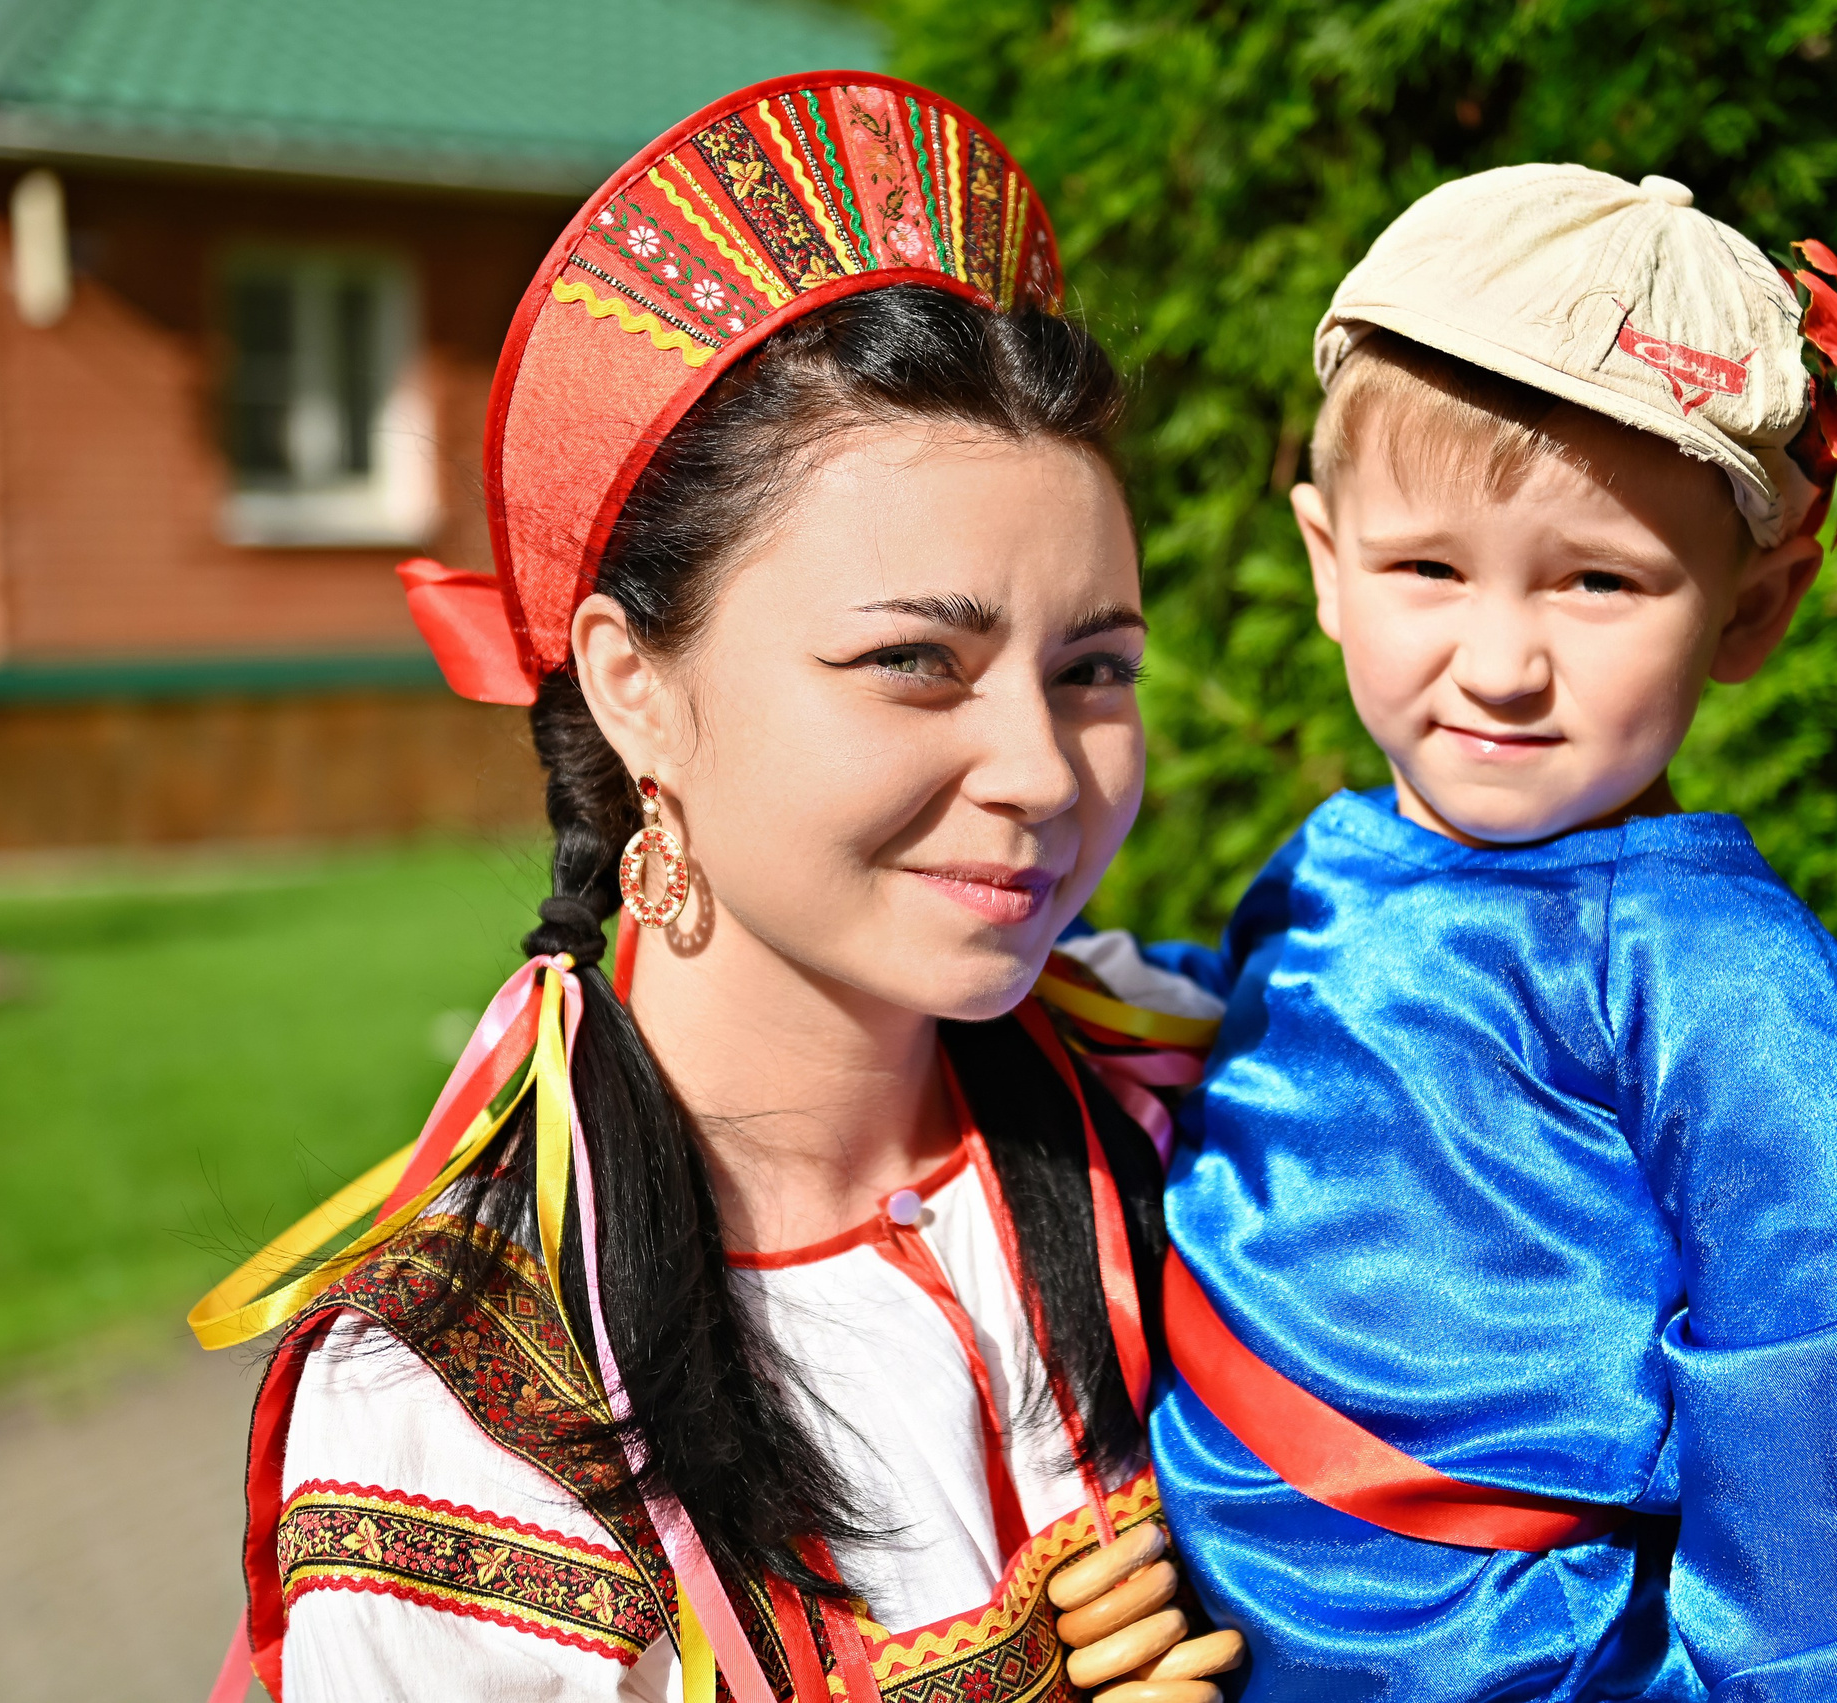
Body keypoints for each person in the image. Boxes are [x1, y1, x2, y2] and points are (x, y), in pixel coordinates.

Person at [189, 75, 1239, 1703]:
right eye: (915, 660)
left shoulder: (1184, 1103)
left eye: (1094, 669)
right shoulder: (459, 1406)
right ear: (635, 685)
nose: (1043, 769)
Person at [1145, 167, 1837, 1698]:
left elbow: (1806, 1439)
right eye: (1427, 569)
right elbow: (1273, 1056)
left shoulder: (1725, 983)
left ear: (1753, 611)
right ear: (1330, 567)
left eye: (1598, 581)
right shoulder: (1339, 855)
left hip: (1507, 1665)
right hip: (1180, 1636)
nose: (1500, 663)